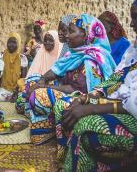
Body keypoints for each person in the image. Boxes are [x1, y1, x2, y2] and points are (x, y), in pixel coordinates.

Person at [54, 1, 137, 171]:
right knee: (69, 107)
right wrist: (88, 98)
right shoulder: (133, 51)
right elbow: (114, 80)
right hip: (119, 102)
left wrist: (92, 107)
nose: (131, 24)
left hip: (132, 112)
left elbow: (133, 103)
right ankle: (73, 163)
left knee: (85, 124)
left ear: (88, 34)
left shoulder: (101, 54)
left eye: (135, 17)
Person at [19, 14, 116, 145]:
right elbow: (54, 71)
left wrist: (43, 87)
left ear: (87, 35)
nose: (67, 35)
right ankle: (47, 120)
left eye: (71, 31)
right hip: (64, 89)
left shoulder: (92, 59)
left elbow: (76, 90)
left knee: (38, 95)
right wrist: (41, 80)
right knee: (30, 82)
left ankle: (47, 123)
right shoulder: (74, 53)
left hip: (80, 99)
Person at [0, 33, 28, 102]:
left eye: (14, 42)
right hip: (4, 87)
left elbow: (23, 77)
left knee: (23, 97)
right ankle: (11, 98)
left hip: (17, 88)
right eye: (9, 42)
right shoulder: (1, 55)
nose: (11, 44)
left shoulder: (22, 58)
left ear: (18, 44)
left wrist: (17, 91)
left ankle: (14, 97)